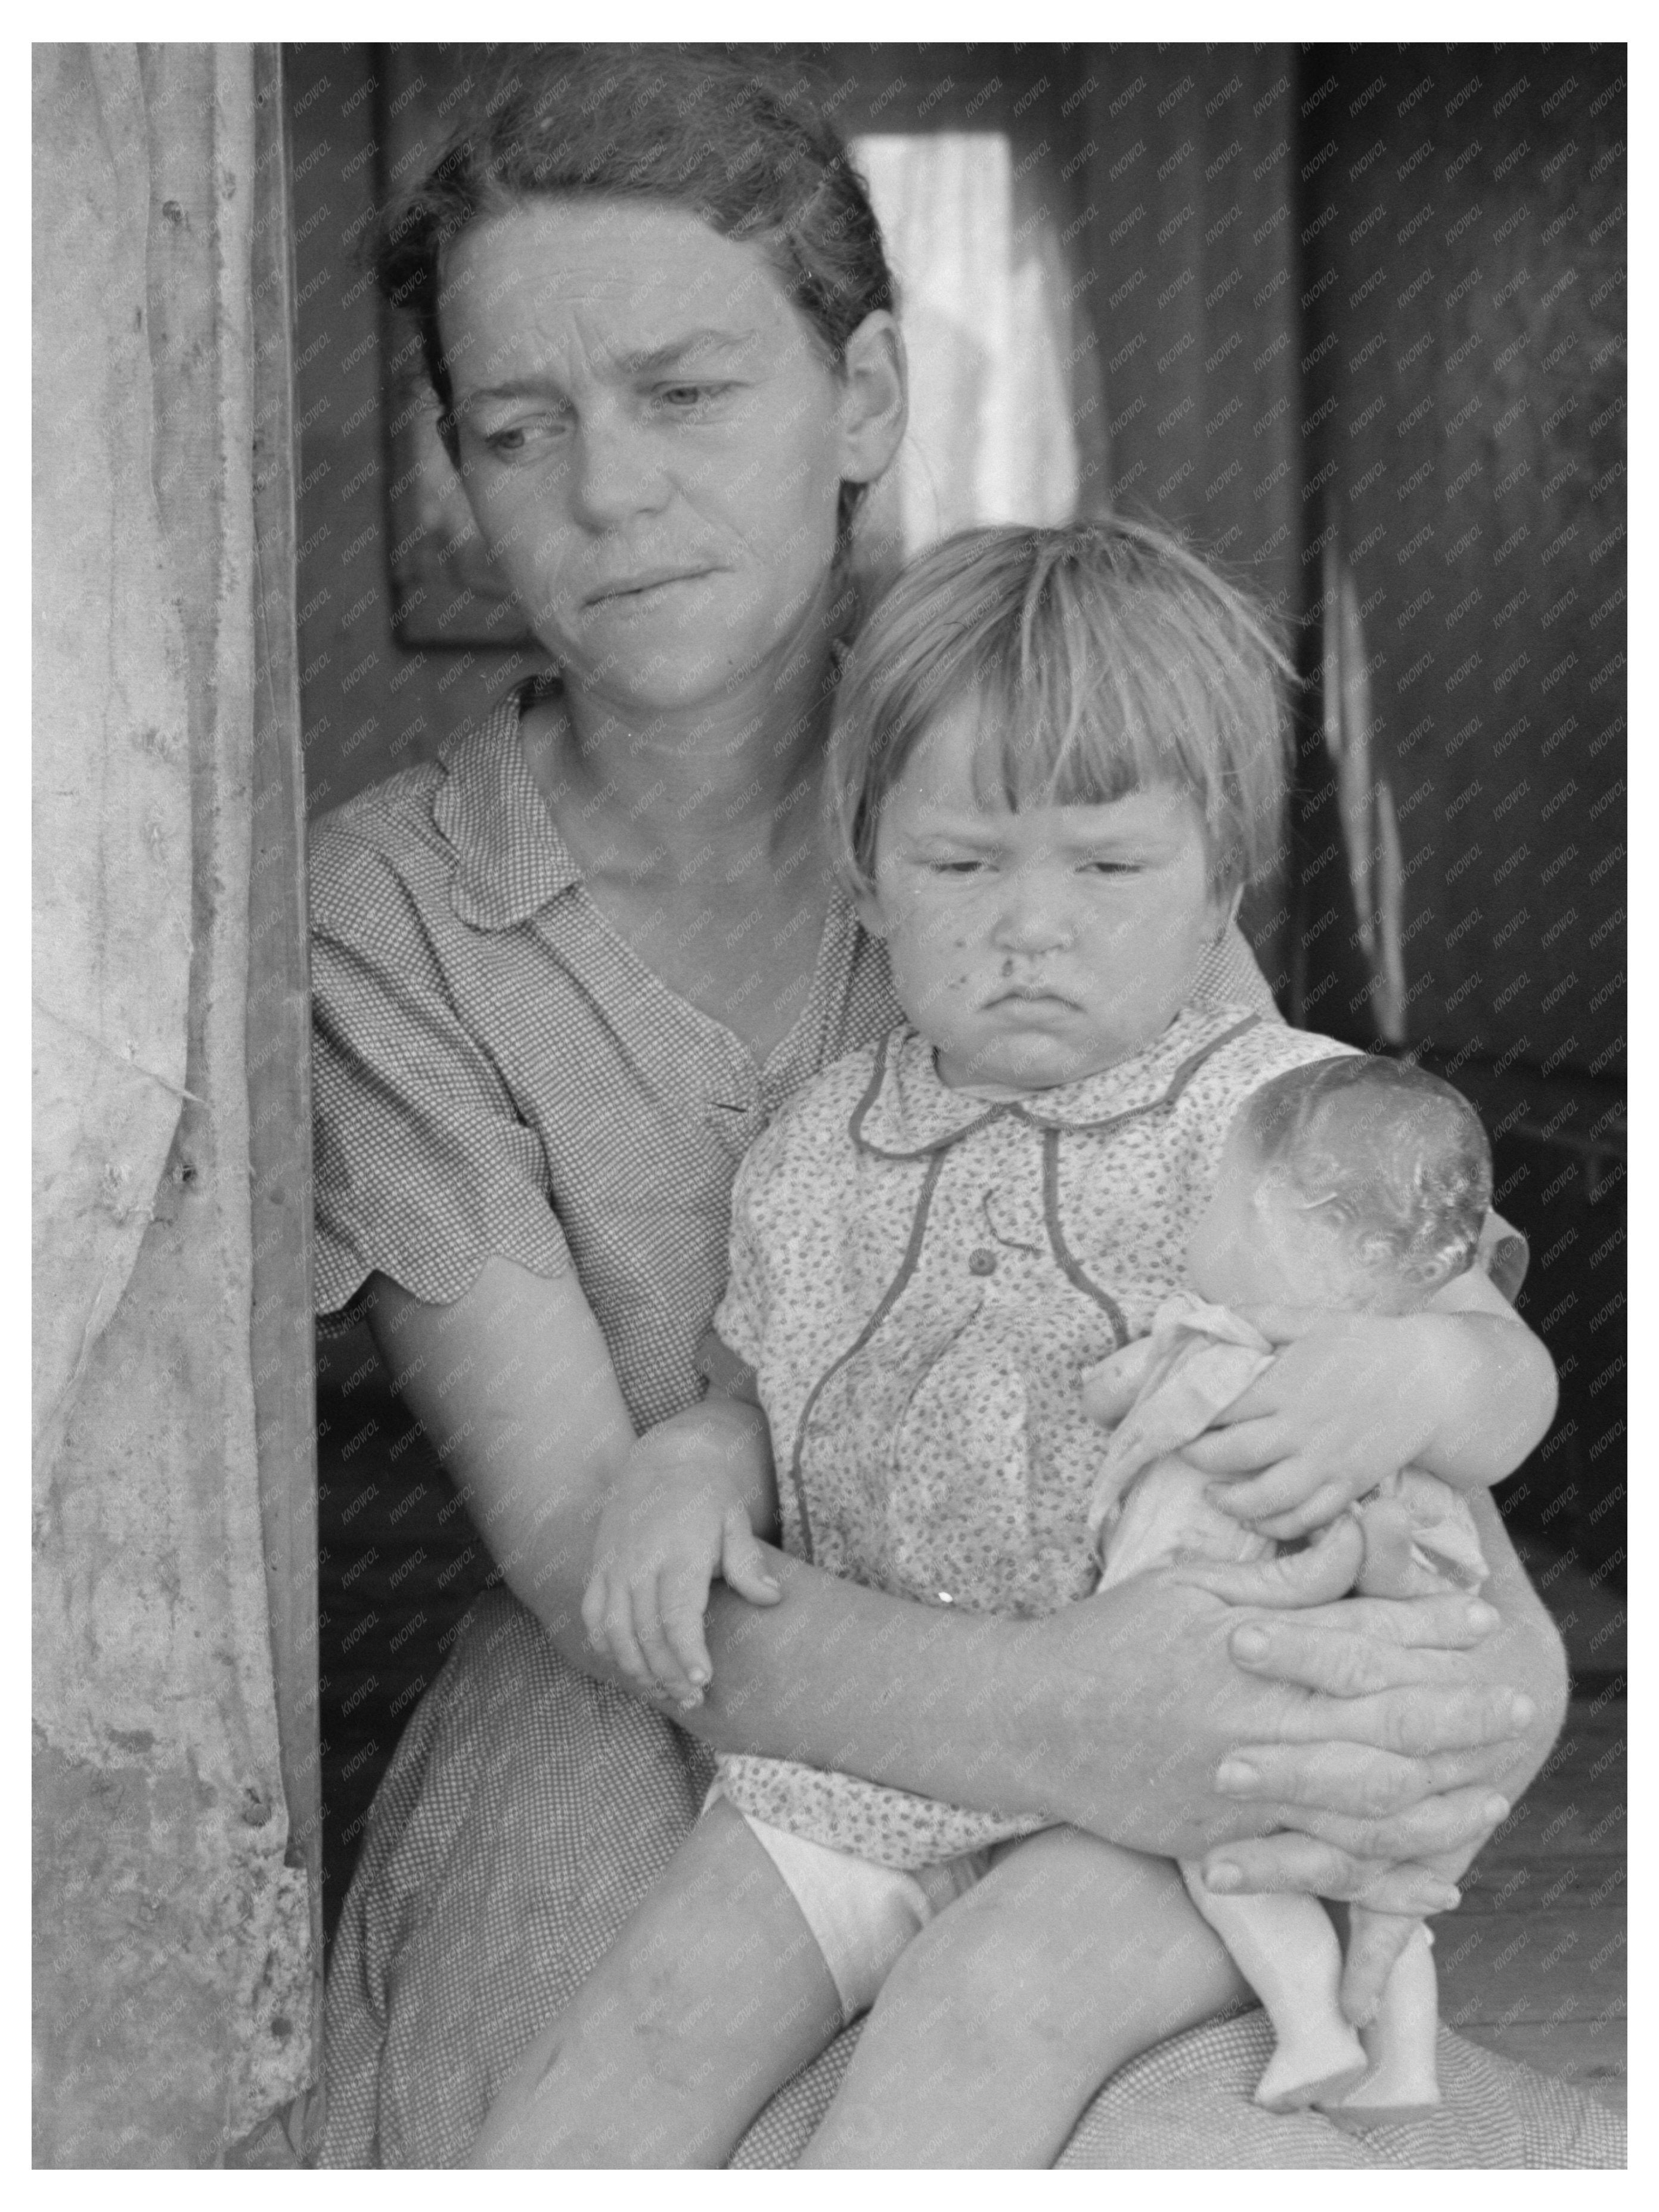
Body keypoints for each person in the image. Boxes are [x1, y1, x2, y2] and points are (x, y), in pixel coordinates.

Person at [311, 49, 1579, 2170]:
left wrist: (1486, 1684)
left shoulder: (1053, 786)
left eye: (689, 391)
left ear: (867, 401)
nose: (608, 490)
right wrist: (1095, 1718)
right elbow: (601, 1554)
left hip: (1143, 1660)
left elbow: (1319, 1294)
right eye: (517, 429)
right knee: (597, 2085)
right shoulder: (390, 919)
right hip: (689, 1711)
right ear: (453, 468)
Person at [472, 524, 1556, 2168]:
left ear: (1219, 894)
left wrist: (1411, 1373)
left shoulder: (1292, 1112)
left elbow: (1505, 1369)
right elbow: (750, 1396)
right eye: (964, 863)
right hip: (882, 1760)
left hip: (1197, 1795)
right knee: (647, 2016)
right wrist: (684, 1475)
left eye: (1108, 867)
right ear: (865, 873)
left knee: (985, 2003)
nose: (1030, 924)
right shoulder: (814, 1146)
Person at [1089, 1051, 1502, 2126]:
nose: (1203, 1221)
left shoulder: (1211, 1342)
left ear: (1275, 1219)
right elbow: (1440, 1566)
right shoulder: (1393, 1407)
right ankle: (1406, 2063)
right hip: (1369, 1698)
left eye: (1220, 1199)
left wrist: (1109, 1379)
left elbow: (1120, 1394)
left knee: (1232, 1858)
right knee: (1377, 1882)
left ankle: (1311, 2028)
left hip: (1233, 1668)